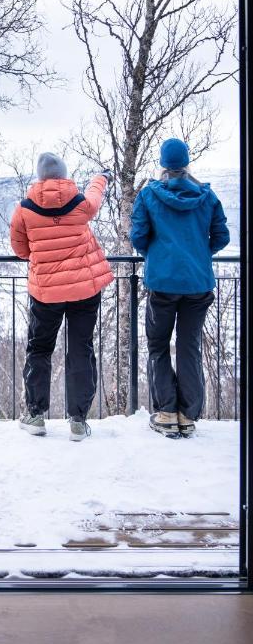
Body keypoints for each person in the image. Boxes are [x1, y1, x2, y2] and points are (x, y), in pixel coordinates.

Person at [10, 152, 114, 440]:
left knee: (40, 348)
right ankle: (78, 421)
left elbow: (21, 250)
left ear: (40, 176)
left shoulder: (24, 209)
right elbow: (95, 195)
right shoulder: (80, 204)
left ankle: (35, 415)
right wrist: (102, 177)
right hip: (84, 288)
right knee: (80, 348)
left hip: (46, 292)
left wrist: (44, 255)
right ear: (64, 174)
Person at [131, 138, 230, 438]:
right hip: (198, 284)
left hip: (162, 283)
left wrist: (159, 257)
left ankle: (165, 411)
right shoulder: (207, 197)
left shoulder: (148, 195)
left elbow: (138, 237)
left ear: (164, 164)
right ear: (186, 163)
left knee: (158, 345)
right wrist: (198, 254)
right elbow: (221, 237)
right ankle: (187, 415)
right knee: (189, 346)